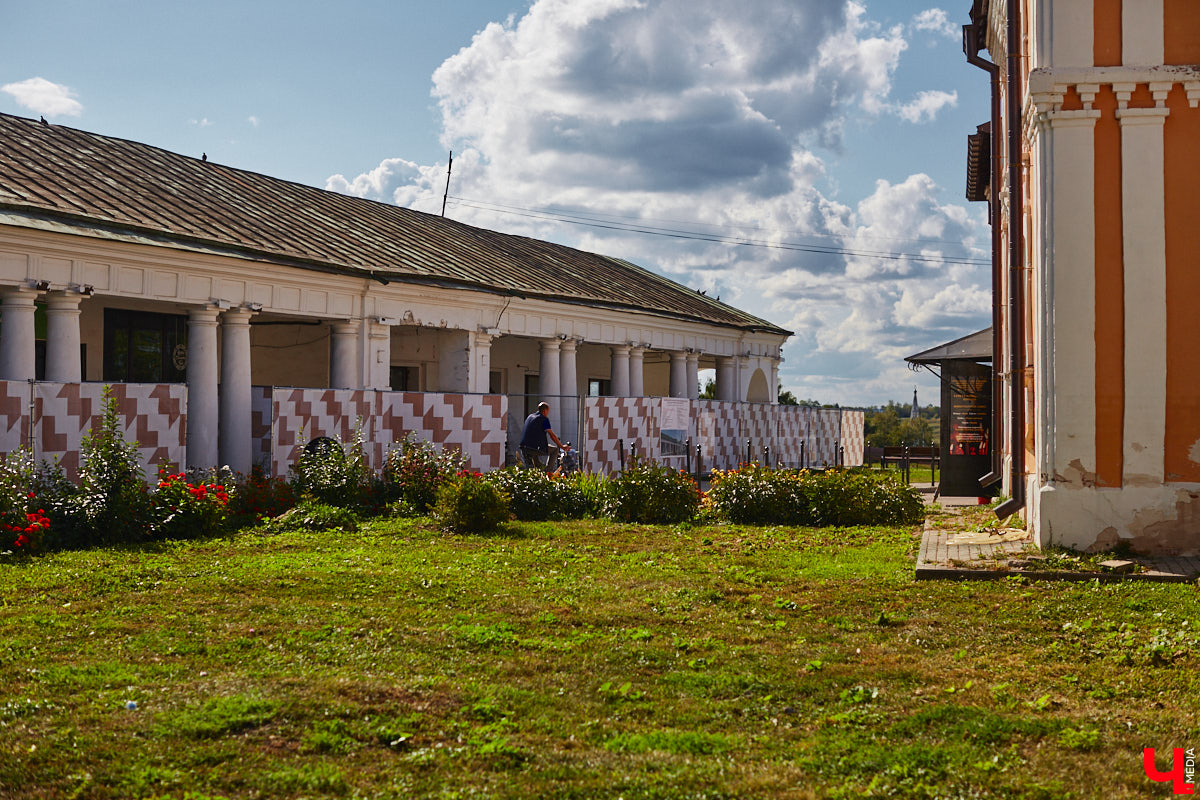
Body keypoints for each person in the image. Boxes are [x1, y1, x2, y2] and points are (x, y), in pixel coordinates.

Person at [520, 401, 565, 469]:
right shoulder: (544, 419)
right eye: (548, 411)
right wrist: (561, 446)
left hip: (524, 447)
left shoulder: (530, 416)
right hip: (534, 447)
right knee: (555, 450)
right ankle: (548, 472)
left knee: (538, 466)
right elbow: (552, 435)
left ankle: (540, 472)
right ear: (545, 410)